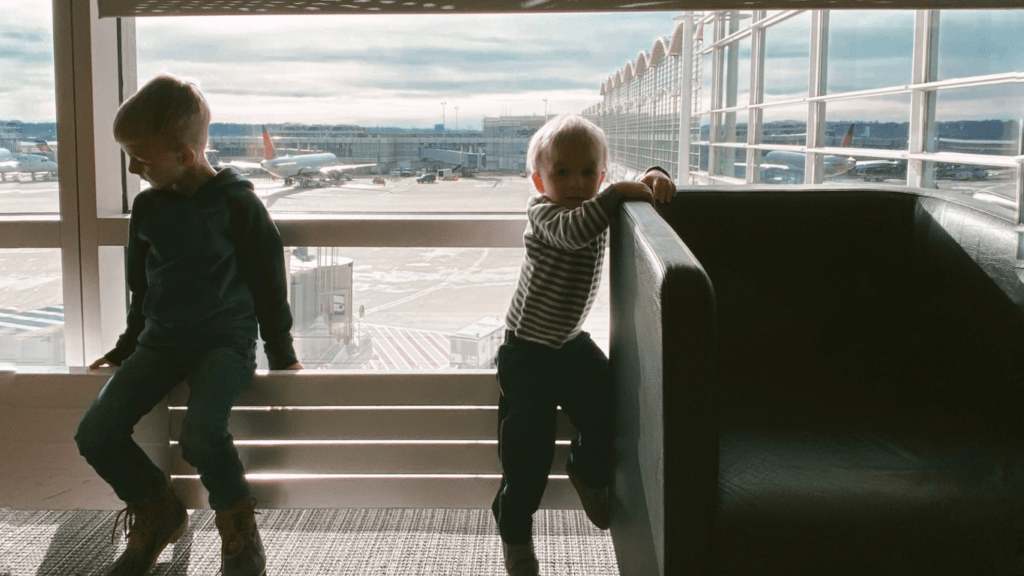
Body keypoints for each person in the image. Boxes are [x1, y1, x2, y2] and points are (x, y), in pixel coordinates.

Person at [75, 74, 301, 576]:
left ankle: (238, 525)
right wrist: (127, 345)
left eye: (140, 156)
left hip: (225, 344)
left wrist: (282, 354)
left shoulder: (237, 203)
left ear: (183, 155)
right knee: (96, 434)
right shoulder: (148, 207)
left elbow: (269, 283)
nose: (132, 168)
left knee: (201, 438)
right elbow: (143, 289)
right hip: (160, 343)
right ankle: (159, 512)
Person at [492, 114, 674, 576]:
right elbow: (576, 231)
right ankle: (514, 531)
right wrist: (614, 193)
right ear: (538, 180)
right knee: (526, 458)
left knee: (609, 402)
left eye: (587, 173)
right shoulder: (545, 213)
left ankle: (586, 471)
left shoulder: (597, 202)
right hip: (528, 352)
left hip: (568, 344)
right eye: (561, 173)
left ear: (602, 173)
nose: (576, 184)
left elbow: (617, 201)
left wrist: (655, 176)